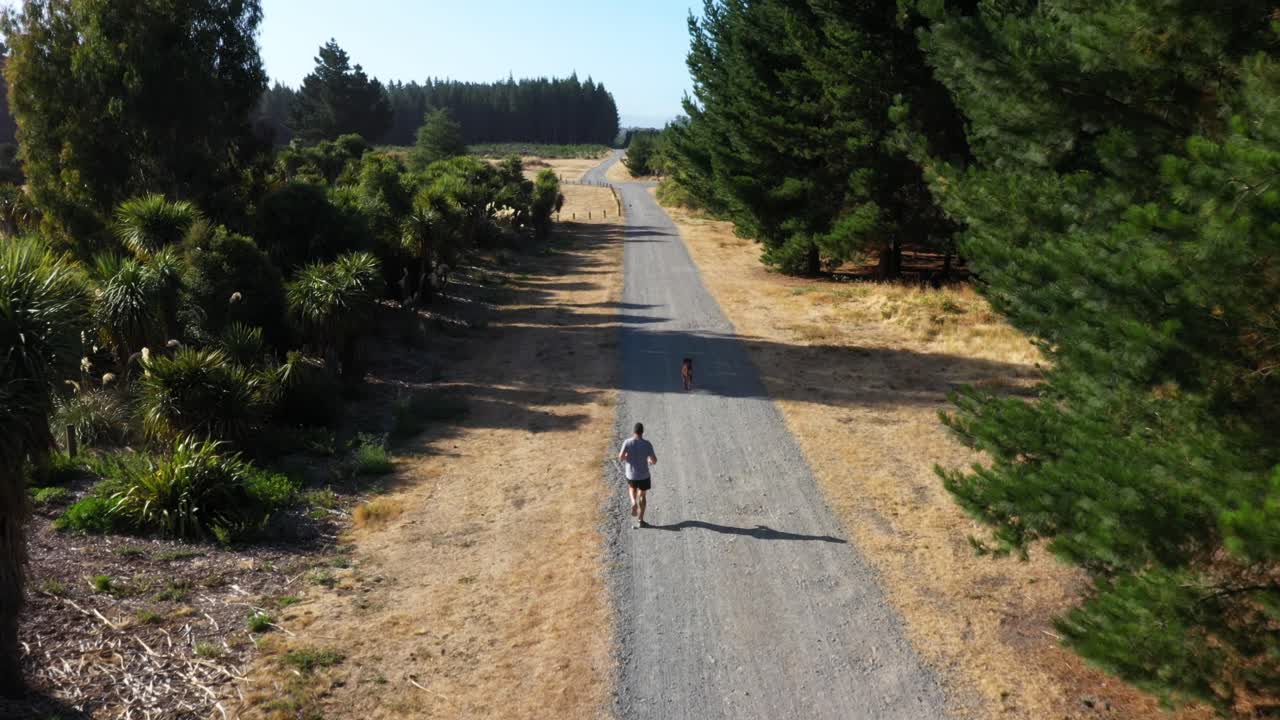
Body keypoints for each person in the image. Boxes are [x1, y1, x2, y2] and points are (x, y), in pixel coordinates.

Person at [618, 422, 657, 529]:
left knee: (631, 488)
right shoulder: (647, 444)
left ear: (634, 431)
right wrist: (649, 459)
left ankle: (633, 501)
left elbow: (620, 457)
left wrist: (626, 457)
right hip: (644, 475)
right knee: (642, 495)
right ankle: (640, 520)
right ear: (642, 432)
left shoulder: (627, 442)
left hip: (631, 474)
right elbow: (654, 461)